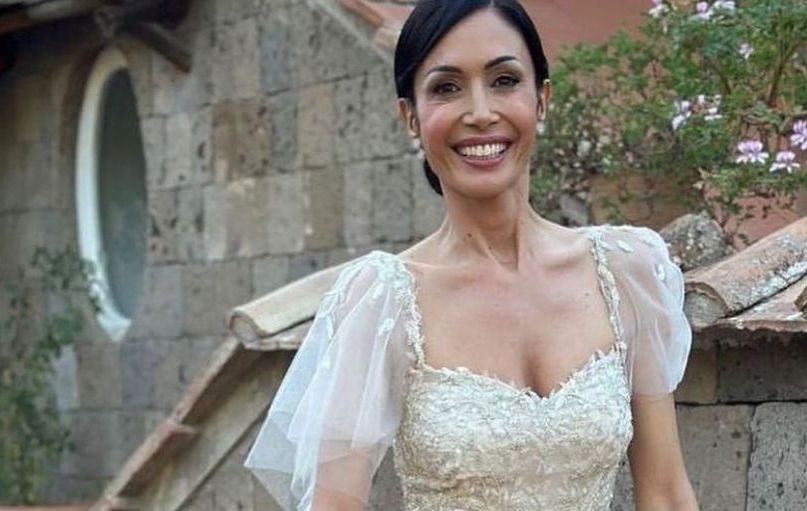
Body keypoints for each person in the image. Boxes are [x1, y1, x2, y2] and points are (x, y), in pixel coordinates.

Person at [244, 0, 697, 509]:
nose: (480, 113)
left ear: (542, 99)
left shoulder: (626, 270)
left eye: (504, 80)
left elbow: (666, 493)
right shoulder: (384, 301)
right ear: (410, 117)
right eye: (446, 87)